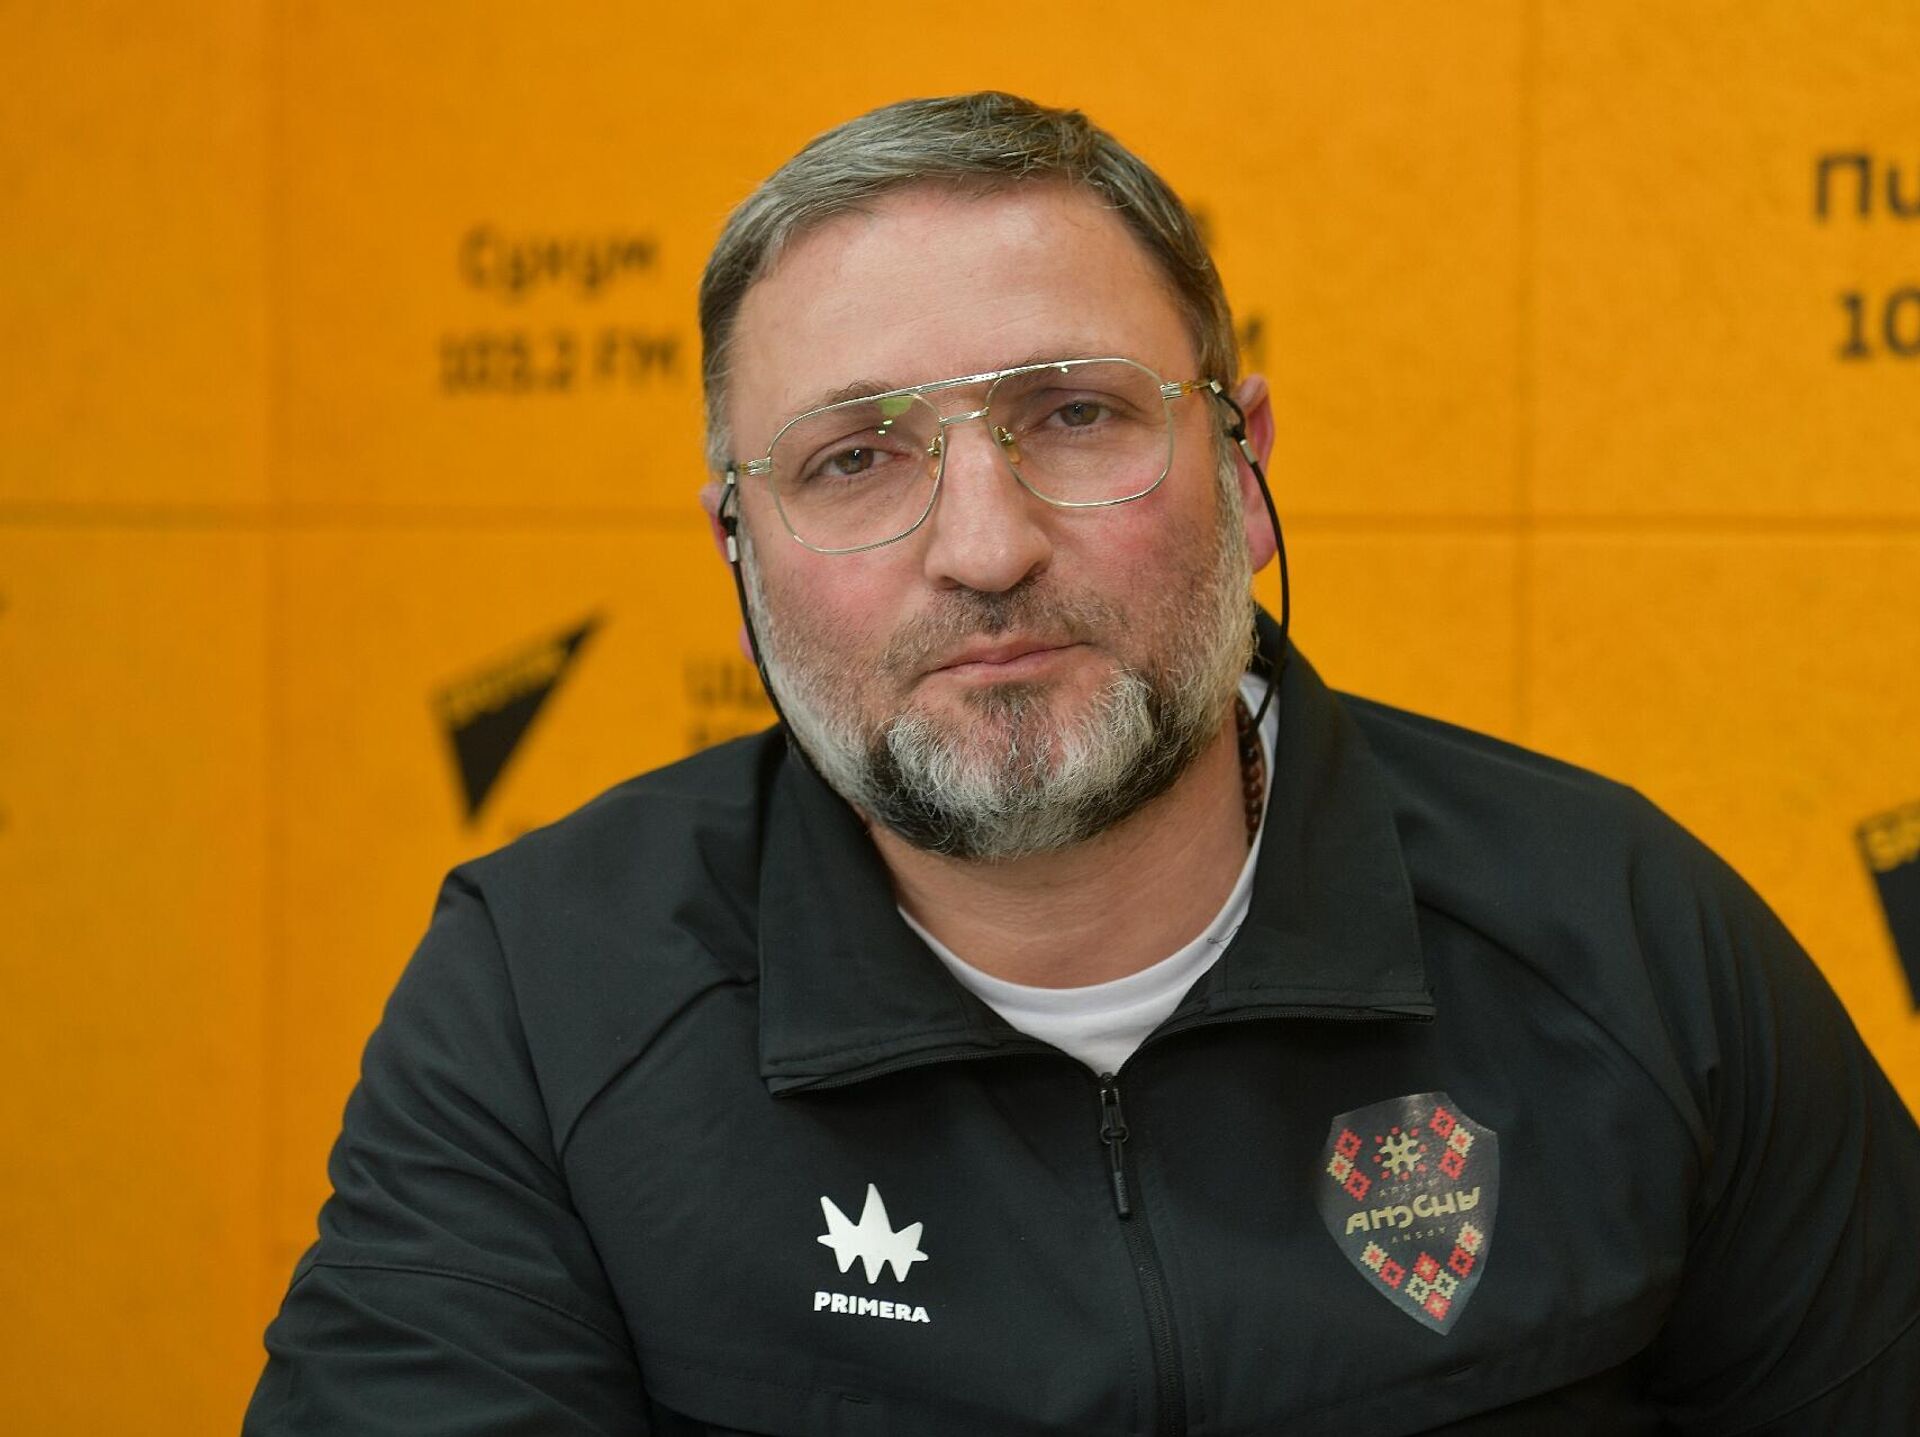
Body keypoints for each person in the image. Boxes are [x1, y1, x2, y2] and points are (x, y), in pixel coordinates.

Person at [246, 92, 1920, 1435]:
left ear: (1244, 471)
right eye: (854, 456)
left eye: (1075, 416)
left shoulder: (1627, 941)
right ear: (738, 551)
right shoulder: (547, 1002)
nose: (984, 547)